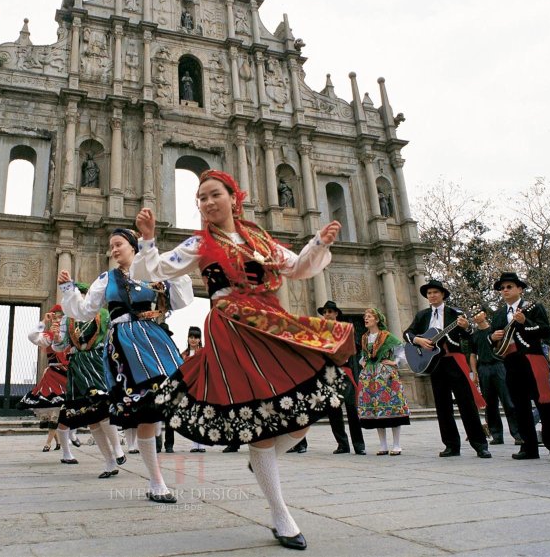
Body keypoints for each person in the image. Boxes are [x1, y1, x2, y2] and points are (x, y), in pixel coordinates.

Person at [131, 169, 353, 550]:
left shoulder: (260, 238)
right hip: (231, 328)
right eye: (201, 198)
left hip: (272, 324)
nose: (207, 202)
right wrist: (147, 240)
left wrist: (318, 242)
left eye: (214, 194)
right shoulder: (199, 244)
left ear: (234, 197)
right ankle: (281, 515)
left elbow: (297, 267)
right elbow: (152, 270)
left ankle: (261, 460)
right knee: (260, 418)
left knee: (302, 415)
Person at [58, 228, 193, 501]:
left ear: (133, 246)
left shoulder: (153, 272)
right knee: (143, 412)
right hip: (125, 346)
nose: (114, 250)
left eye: (118, 244)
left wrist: (175, 268)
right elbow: (85, 310)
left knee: (172, 394)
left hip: (154, 340)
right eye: (111, 246)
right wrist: (69, 290)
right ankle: (157, 483)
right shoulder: (106, 279)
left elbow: (178, 300)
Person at [481, 272, 550, 462]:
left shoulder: (533, 308)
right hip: (510, 363)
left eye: (509, 287)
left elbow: (545, 330)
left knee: (544, 403)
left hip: (532, 359)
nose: (505, 290)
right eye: (502, 288)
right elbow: (492, 338)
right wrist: (492, 337)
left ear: (520, 289)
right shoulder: (500, 314)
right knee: (520, 406)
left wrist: (525, 322)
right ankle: (529, 447)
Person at [403, 280, 490, 458]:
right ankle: (451, 445)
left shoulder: (455, 313)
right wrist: (419, 341)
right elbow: (407, 334)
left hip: (454, 361)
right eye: (429, 293)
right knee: (442, 406)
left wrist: (466, 327)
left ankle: (480, 444)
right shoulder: (422, 316)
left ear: (443, 294)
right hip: (435, 364)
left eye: (435, 292)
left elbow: (468, 336)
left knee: (466, 404)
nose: (432, 295)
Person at [47, 295, 127, 477]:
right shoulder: (68, 319)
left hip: (97, 363)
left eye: (82, 297)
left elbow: (112, 340)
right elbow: (60, 347)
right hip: (77, 366)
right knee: (90, 417)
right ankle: (109, 463)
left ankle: (117, 448)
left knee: (103, 407)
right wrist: (57, 336)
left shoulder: (103, 314)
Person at [357, 307, 410, 456]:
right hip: (370, 377)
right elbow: (364, 356)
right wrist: (363, 362)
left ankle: (397, 444)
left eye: (369, 316)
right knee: (376, 409)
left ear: (377, 319)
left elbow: (402, 352)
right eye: (365, 317)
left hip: (386, 376)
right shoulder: (364, 338)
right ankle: (383, 444)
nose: (366, 319)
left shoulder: (387, 337)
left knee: (392, 407)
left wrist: (394, 363)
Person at [319, 301, 365, 455]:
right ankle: (342, 444)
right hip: (328, 373)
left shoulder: (345, 329)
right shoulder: (320, 332)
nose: (327, 314)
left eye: (330, 311)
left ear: (336, 313)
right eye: (325, 312)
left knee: (352, 408)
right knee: (334, 410)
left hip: (345, 371)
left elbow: (356, 347)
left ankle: (359, 445)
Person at [469, 313, 523, 446]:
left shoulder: (494, 330)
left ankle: (518, 434)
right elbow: (472, 354)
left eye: (478, 312)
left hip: (498, 365)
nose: (476, 316)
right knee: (490, 404)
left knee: (508, 401)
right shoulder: (474, 335)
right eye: (473, 314)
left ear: (484, 314)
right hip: (483, 368)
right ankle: (496, 434)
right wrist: (474, 372)